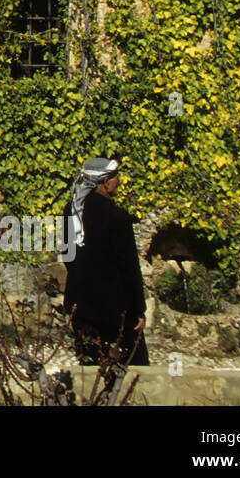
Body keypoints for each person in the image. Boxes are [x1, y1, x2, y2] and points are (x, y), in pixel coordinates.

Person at [61, 157, 149, 366]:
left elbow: (67, 256)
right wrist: (139, 309)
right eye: (116, 176)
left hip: (81, 309)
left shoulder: (72, 212)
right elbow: (129, 268)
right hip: (115, 312)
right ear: (106, 181)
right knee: (130, 372)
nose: (119, 181)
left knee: (91, 370)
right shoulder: (116, 217)